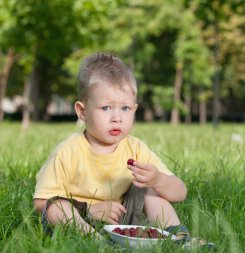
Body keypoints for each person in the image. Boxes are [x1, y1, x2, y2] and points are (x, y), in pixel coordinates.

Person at [33, 52, 188, 236]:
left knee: (151, 188)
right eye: (106, 108)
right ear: (82, 112)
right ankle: (95, 242)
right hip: (78, 219)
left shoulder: (135, 149)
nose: (117, 118)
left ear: (134, 109)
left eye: (125, 108)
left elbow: (180, 192)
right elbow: (41, 203)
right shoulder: (69, 151)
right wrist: (90, 209)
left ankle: (177, 236)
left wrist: (159, 180)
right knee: (56, 206)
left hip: (121, 220)